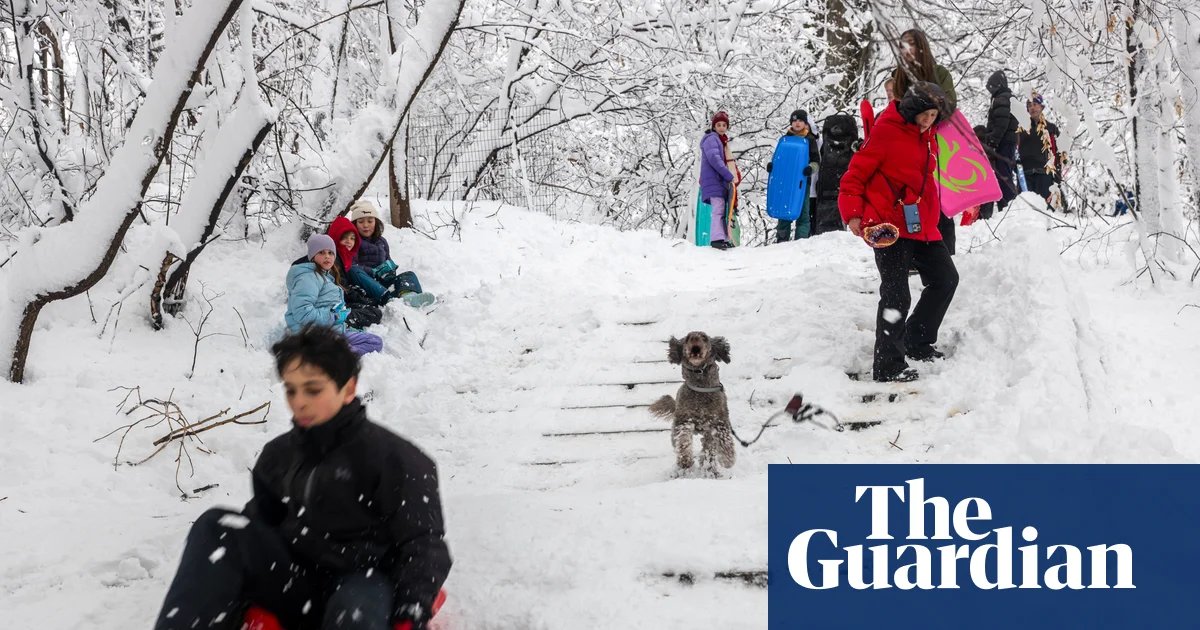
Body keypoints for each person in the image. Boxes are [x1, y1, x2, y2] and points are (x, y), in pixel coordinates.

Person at [152, 325, 449, 630]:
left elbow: (424, 545)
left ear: (348, 388)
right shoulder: (278, 455)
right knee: (220, 527)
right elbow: (262, 523)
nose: (299, 402)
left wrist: (409, 614)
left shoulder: (394, 458)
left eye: (313, 389)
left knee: (354, 613)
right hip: (297, 579)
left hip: (364, 581)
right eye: (291, 389)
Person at [838, 82, 959, 383]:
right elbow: (854, 176)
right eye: (925, 114)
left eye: (934, 115)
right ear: (913, 109)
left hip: (921, 225)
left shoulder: (928, 138)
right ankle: (888, 365)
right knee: (895, 294)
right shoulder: (887, 132)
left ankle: (917, 341)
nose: (929, 120)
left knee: (945, 279)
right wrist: (853, 215)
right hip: (887, 225)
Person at [891, 28, 958, 254]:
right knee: (910, 200)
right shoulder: (898, 75)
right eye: (902, 45)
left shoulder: (939, 73)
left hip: (937, 142)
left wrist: (928, 115)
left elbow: (949, 106)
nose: (906, 49)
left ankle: (944, 256)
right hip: (907, 146)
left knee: (937, 199)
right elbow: (895, 110)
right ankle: (913, 255)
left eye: (910, 44)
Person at [284, 234, 383, 355]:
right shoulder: (308, 278)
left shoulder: (325, 276)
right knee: (371, 343)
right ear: (312, 256)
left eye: (330, 253)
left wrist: (339, 314)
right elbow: (302, 313)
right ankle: (333, 355)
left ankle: (336, 353)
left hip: (328, 331)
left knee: (375, 342)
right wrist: (333, 316)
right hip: (311, 335)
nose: (327, 256)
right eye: (321, 252)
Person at [349, 200, 434, 307]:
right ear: (354, 224)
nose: (365, 225)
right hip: (367, 285)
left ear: (376, 222)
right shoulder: (353, 241)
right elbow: (352, 266)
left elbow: (387, 259)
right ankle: (390, 300)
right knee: (353, 270)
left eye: (370, 221)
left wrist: (390, 268)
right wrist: (374, 272)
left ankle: (408, 297)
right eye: (361, 222)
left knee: (409, 275)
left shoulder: (382, 241)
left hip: (384, 282)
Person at [767, 109, 820, 242]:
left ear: (805, 123)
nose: (797, 123)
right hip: (785, 181)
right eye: (795, 121)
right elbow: (778, 158)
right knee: (784, 211)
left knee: (803, 212)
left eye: (800, 120)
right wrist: (772, 166)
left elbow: (816, 161)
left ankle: (800, 242)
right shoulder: (785, 139)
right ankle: (781, 240)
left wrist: (810, 168)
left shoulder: (810, 139)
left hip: (802, 182)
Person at [982, 70, 1019, 219]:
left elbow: (1001, 124)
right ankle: (1007, 206)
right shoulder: (1008, 99)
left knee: (1003, 175)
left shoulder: (1002, 99)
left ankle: (1008, 207)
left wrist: (992, 141)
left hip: (1003, 143)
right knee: (1004, 174)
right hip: (1008, 142)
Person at [698, 111, 738, 250]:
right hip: (713, 180)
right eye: (718, 125)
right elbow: (714, 159)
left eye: (724, 125)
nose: (721, 127)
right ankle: (716, 239)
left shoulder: (720, 140)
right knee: (718, 210)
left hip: (717, 181)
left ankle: (723, 237)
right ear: (714, 126)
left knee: (722, 209)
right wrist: (728, 175)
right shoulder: (712, 139)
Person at [1017, 92, 1062, 205]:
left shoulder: (1051, 128)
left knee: (1044, 210)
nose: (1032, 108)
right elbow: (1015, 151)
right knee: (1025, 210)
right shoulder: (1020, 129)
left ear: (1042, 107)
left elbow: (1057, 153)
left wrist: (1057, 177)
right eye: (1029, 105)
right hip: (1025, 176)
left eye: (1035, 104)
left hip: (1044, 175)